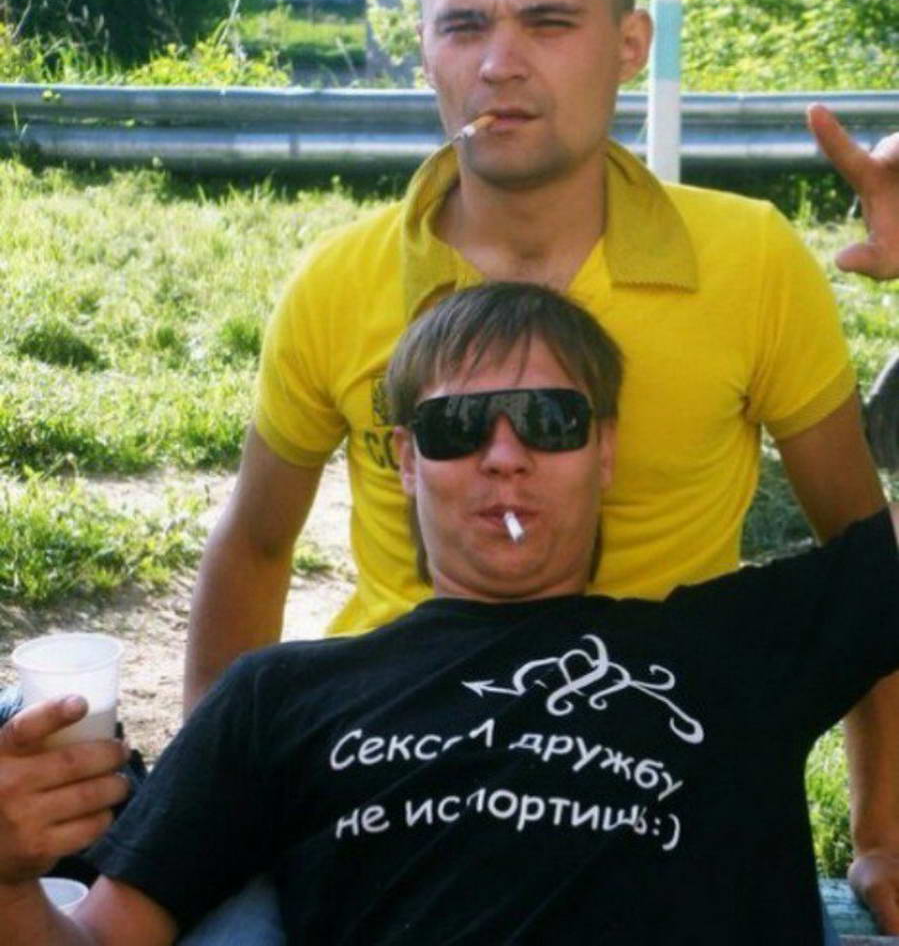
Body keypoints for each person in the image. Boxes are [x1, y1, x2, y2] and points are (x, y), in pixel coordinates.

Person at [184, 0, 899, 924]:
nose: (499, 63)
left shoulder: (749, 260)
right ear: (423, 49)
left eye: (548, 22)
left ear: (628, 44)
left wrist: (880, 837)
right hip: (383, 772)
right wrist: (202, 808)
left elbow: (864, 561)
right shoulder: (337, 283)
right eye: (462, 25)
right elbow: (254, 543)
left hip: (660, 752)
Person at [1, 282, 898, 946]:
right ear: (405, 460)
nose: (503, 456)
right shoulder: (280, 695)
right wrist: (6, 879)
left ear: (604, 450)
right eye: (457, 427)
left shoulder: (732, 642)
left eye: (548, 419)